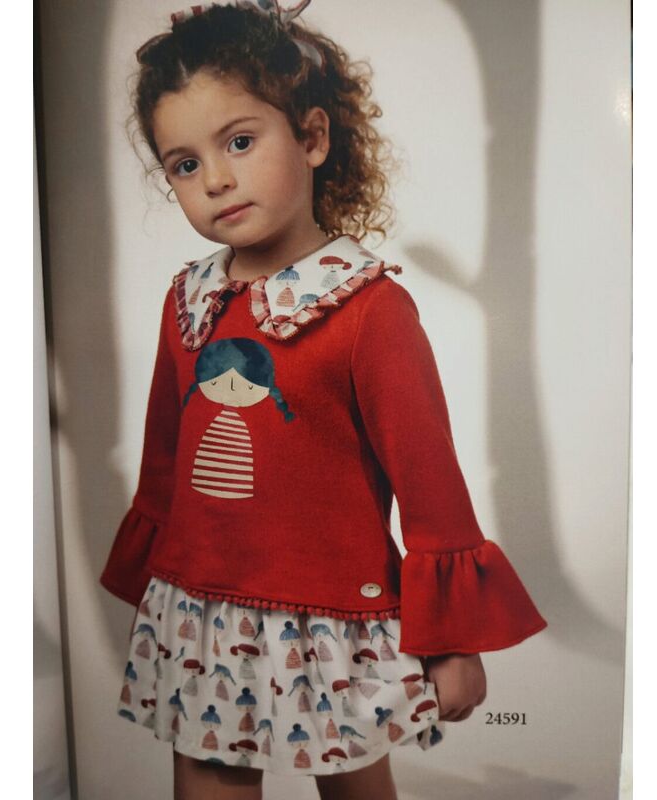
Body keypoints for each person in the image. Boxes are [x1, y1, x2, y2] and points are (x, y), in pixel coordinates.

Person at [100, 1, 547, 797]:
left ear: (312, 137)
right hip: (202, 609)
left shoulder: (368, 310)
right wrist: (156, 579)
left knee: (354, 786)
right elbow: (164, 458)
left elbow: (428, 477)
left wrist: (452, 639)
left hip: (336, 619)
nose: (217, 179)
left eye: (239, 142)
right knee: (206, 781)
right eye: (185, 164)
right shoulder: (189, 302)